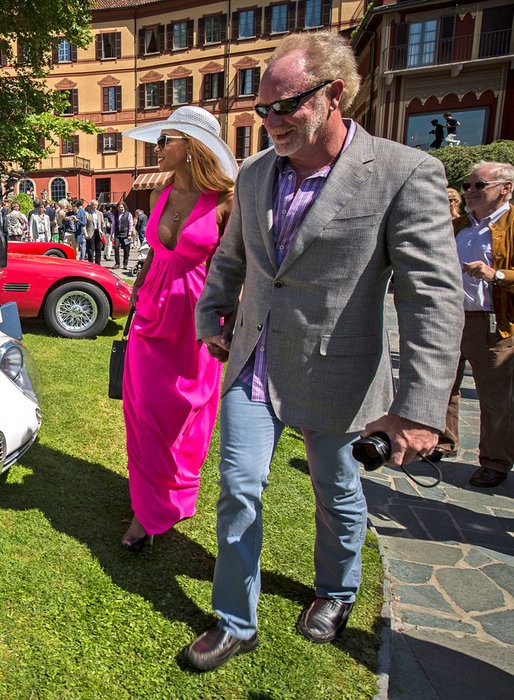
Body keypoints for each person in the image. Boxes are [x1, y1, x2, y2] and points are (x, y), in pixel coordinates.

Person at [184, 31, 463, 671]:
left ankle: (335, 590)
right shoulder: (254, 176)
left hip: (340, 368)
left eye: (286, 106)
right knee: (239, 487)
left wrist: (420, 406)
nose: (272, 122)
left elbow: (433, 296)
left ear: (333, 93)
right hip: (253, 358)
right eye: (263, 111)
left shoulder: (403, 172)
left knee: (337, 490)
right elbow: (232, 259)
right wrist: (209, 313)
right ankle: (235, 619)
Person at [118, 106, 237, 553]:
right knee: (144, 414)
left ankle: (172, 495)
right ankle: (145, 512)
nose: (159, 147)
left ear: (193, 148)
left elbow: (236, 268)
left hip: (195, 320)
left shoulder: (227, 201)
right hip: (151, 312)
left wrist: (228, 324)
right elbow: (154, 254)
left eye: (168, 139)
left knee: (183, 415)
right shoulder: (158, 195)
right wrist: (138, 285)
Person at [434, 162, 514, 488]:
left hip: (494, 323)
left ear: (505, 188)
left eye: (478, 185)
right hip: (452, 316)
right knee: (442, 385)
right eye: (467, 185)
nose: (469, 191)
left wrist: (495, 274)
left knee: (495, 397)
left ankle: (495, 461)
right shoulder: (459, 225)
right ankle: (443, 440)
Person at [113, 201, 134, 269]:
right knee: (116, 248)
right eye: (119, 207)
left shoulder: (128, 214)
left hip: (126, 235)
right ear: (117, 208)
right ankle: (117, 263)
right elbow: (113, 225)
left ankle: (125, 263)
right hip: (117, 235)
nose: (120, 208)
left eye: (122, 207)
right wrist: (111, 234)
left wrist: (129, 234)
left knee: (126, 249)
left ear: (124, 207)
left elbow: (131, 224)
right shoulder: (115, 215)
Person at [84, 200, 104, 264]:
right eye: (93, 205)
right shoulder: (87, 214)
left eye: (95, 205)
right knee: (91, 249)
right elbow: (84, 225)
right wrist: (86, 234)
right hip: (90, 233)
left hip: (98, 232)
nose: (94, 206)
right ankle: (91, 263)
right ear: (91, 206)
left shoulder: (100, 214)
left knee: (98, 249)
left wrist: (102, 231)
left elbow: (102, 223)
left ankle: (98, 263)